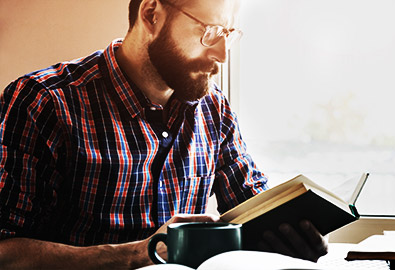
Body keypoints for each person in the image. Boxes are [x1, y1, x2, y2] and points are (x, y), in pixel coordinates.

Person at [0, 0, 328, 268]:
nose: (222, 55)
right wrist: (138, 255)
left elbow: (254, 208)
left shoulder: (214, 107)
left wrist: (293, 234)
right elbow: (6, 253)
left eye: (229, 33)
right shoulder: (42, 102)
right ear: (151, 14)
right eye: (210, 32)